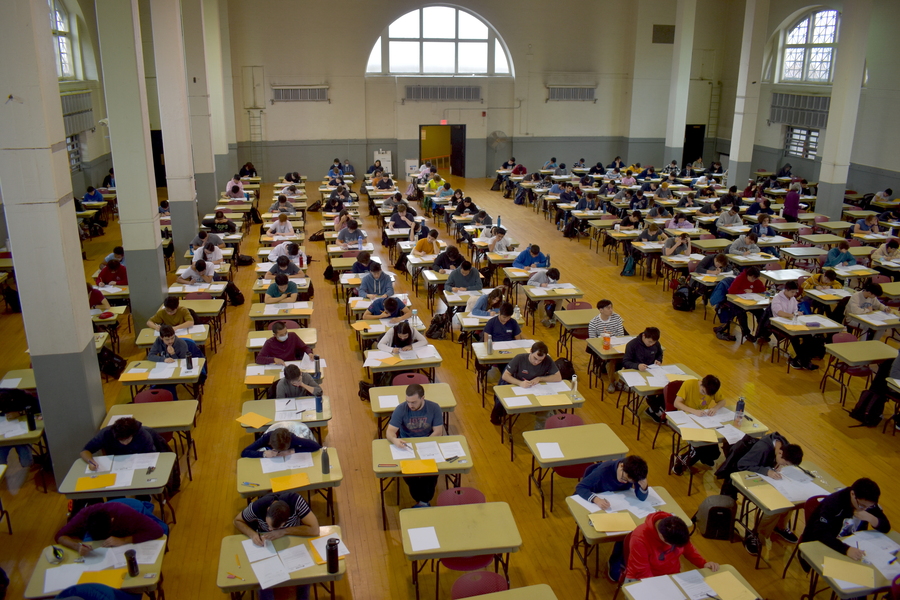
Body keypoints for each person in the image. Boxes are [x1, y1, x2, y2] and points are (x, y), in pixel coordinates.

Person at [234, 492, 319, 600]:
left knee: (304, 578)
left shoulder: (296, 501)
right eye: (268, 526)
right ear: (268, 509)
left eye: (274, 528)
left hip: (292, 545)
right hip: (267, 546)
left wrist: (284, 531)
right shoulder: (258, 506)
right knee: (265, 583)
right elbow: (237, 521)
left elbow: (315, 529)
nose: (270, 530)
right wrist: (252, 534)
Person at [576, 456, 649, 580]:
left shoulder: (633, 472)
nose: (625, 482)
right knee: (622, 531)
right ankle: (616, 562)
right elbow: (580, 487)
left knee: (628, 531)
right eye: (623, 478)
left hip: (618, 505)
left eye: (629, 482)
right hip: (598, 504)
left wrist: (644, 487)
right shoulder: (604, 470)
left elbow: (641, 498)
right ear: (621, 466)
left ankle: (616, 561)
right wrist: (596, 499)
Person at [735, 433, 805, 554]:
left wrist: (779, 467)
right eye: (784, 464)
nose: (784, 466)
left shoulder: (784, 445)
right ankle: (756, 535)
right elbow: (742, 464)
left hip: (771, 480)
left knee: (791, 499)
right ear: (780, 453)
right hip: (750, 480)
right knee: (775, 505)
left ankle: (780, 527)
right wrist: (766, 471)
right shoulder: (762, 448)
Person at [802, 478, 890, 568]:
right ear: (852, 494)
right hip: (829, 545)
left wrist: (872, 518)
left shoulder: (867, 503)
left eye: (869, 506)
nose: (865, 509)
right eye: (862, 506)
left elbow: (886, 527)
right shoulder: (833, 503)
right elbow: (820, 532)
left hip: (854, 545)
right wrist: (846, 549)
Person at [386, 384, 444, 507]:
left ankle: (423, 502)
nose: (410, 405)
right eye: (408, 401)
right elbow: (389, 431)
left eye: (414, 402)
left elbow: (438, 432)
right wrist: (395, 440)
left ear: (423, 398)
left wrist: (424, 445)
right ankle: (423, 501)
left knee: (431, 474)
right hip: (407, 446)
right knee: (410, 475)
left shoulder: (434, 408)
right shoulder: (401, 409)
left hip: (428, 444)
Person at [625, 512, 719, 582]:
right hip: (642, 577)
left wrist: (703, 564)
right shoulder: (640, 538)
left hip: (671, 574)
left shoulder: (675, 527)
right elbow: (642, 570)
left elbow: (689, 549)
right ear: (661, 537)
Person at [492, 341, 562, 428]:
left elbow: (558, 377)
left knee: (546, 409)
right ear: (530, 351)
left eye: (540, 360)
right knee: (501, 401)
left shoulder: (547, 360)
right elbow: (505, 376)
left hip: (535, 389)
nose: (537, 362)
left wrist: (540, 378)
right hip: (518, 385)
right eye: (535, 358)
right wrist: (520, 383)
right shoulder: (519, 358)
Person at [55, 501, 166, 554]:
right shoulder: (84, 515)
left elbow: (157, 530)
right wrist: (77, 547)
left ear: (112, 521)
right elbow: (60, 536)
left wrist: (124, 540)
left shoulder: (125, 514)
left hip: (127, 514)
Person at [668, 375, 726, 470]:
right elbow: (677, 403)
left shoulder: (712, 388)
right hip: (686, 418)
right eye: (703, 392)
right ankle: (681, 463)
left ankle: (703, 456)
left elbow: (722, 401)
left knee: (715, 454)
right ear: (701, 383)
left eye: (708, 395)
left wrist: (715, 408)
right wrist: (693, 411)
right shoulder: (689, 384)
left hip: (702, 420)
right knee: (699, 447)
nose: (705, 395)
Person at [81, 417, 168, 470]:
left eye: (127, 439)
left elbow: (150, 457)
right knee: (113, 493)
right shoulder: (106, 433)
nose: (125, 443)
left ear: (133, 434)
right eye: (121, 440)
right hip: (115, 466)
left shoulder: (144, 435)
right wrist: (91, 462)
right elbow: (85, 451)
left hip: (137, 466)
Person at [773, 281, 821, 370]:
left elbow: (795, 310)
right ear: (786, 290)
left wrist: (798, 313)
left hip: (793, 323)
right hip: (780, 324)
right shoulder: (777, 299)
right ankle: (804, 361)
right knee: (794, 337)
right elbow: (779, 313)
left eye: (795, 292)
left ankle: (798, 359)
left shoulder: (793, 299)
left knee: (809, 336)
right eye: (792, 292)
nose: (794, 294)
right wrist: (793, 315)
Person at [587, 300, 626, 392]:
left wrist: (610, 336)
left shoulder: (617, 318)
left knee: (629, 359)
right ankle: (612, 382)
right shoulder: (594, 322)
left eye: (611, 307)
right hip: (603, 348)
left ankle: (620, 382)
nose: (611, 310)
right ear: (601, 310)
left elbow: (621, 334)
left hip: (617, 345)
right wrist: (602, 337)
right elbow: (592, 340)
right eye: (608, 308)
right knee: (611, 361)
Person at [725, 266, 766, 342]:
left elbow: (762, 288)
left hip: (749, 301)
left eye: (755, 279)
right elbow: (731, 291)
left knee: (761, 313)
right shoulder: (740, 278)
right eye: (753, 278)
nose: (754, 281)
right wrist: (743, 291)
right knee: (742, 314)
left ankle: (761, 333)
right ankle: (746, 333)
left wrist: (752, 290)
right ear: (749, 275)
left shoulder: (755, 280)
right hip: (735, 302)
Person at [0, 389, 37, 468]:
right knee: (1, 464)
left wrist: (20, 413)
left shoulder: (19, 395)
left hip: (20, 432)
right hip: (3, 434)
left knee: (26, 463)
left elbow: (38, 406)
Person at [241, 427, 320, 458]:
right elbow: (244, 452)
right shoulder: (266, 437)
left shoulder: (292, 438)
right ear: (270, 443)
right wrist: (263, 454)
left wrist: (292, 450)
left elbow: (316, 446)